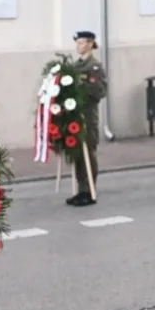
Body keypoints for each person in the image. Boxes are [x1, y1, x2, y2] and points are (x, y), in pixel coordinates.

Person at [65, 30, 108, 207]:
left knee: (88, 151)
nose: (78, 46)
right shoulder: (75, 67)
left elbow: (100, 91)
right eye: (77, 43)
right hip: (75, 115)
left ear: (90, 44)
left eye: (82, 43)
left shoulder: (94, 66)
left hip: (88, 115)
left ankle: (89, 189)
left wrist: (83, 88)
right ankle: (81, 188)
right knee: (77, 153)